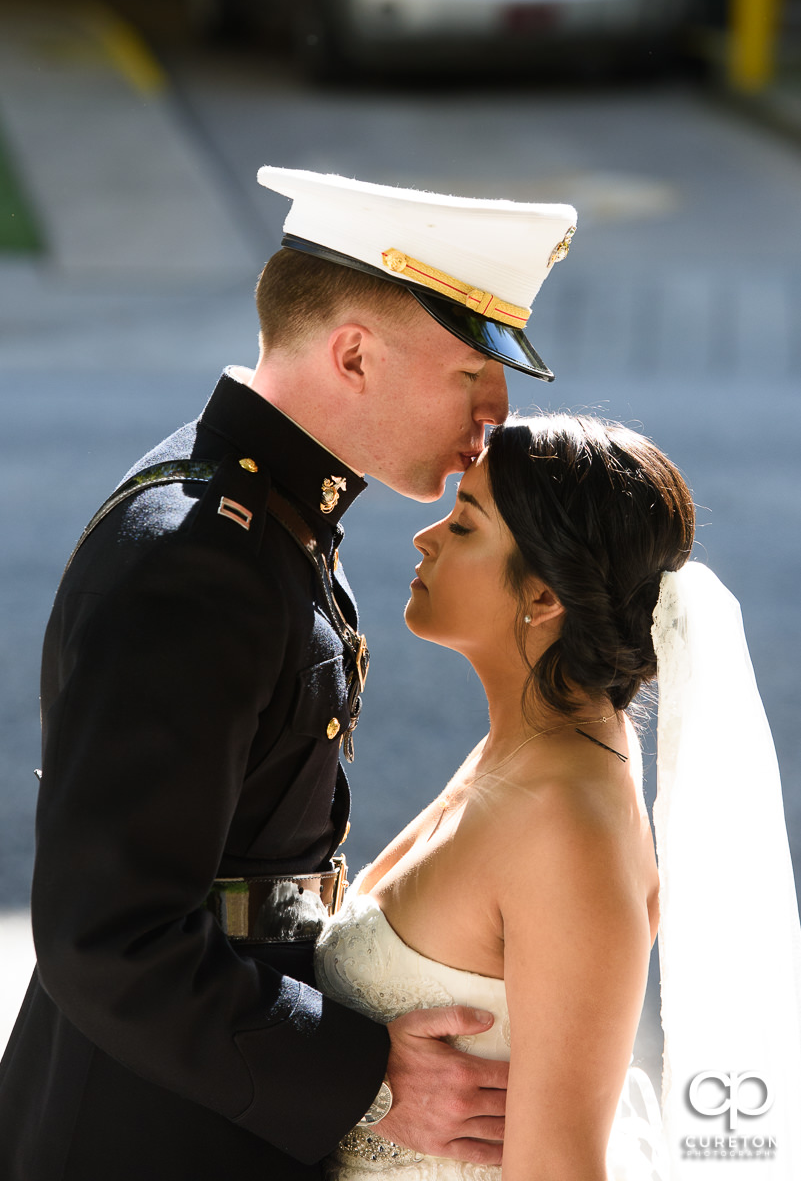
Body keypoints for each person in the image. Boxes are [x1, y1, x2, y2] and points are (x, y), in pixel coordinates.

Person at [0, 170, 578, 1180]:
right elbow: (108, 937)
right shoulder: (195, 554)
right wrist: (365, 1077)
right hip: (148, 1127)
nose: (495, 410)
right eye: (468, 374)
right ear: (352, 352)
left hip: (206, 1089)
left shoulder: (267, 517)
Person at [314, 414, 801, 1180]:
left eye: (464, 523)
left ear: (541, 595)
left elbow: (560, 1166)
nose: (424, 537)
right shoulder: (529, 746)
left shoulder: (566, 825)